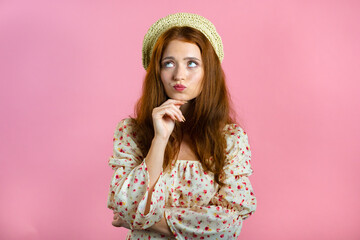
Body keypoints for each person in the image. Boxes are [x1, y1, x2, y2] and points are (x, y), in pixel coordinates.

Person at [107, 12, 257, 240]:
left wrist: (147, 222)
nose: (179, 75)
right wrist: (159, 140)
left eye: (192, 64)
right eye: (169, 64)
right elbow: (128, 205)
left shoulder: (230, 139)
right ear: (156, 71)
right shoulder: (132, 133)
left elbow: (229, 223)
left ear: (208, 71)